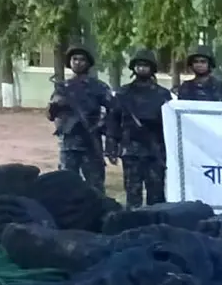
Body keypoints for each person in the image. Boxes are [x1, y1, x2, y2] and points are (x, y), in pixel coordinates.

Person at [106, 49, 173, 209]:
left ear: (152, 68)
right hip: (131, 151)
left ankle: (157, 222)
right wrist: (111, 145)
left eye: (145, 65)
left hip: (155, 151)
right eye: (139, 65)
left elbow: (170, 124)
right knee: (132, 194)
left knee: (156, 195)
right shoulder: (123, 93)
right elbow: (113, 120)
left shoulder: (162, 94)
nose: (142, 68)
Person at [47, 45, 113, 192]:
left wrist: (101, 126)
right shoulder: (62, 87)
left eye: (82, 59)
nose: (78, 62)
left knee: (95, 187)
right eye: (74, 59)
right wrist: (56, 105)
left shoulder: (98, 87)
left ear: (88, 63)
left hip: (91, 142)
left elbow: (113, 111)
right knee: (67, 186)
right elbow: (50, 116)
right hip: (69, 144)